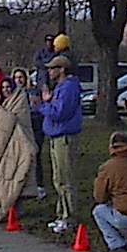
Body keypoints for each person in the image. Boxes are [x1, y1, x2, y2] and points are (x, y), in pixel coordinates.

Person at [0, 72, 35, 223]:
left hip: (16, 144)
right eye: (3, 88)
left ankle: (16, 208)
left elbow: (22, 121)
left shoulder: (20, 101)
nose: (6, 90)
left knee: (17, 173)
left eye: (9, 87)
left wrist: (8, 119)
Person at [39, 55, 83, 234]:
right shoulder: (60, 87)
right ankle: (61, 214)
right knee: (58, 179)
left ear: (62, 69)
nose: (50, 71)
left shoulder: (69, 87)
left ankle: (69, 217)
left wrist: (42, 106)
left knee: (65, 179)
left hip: (64, 137)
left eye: (52, 68)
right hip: (55, 136)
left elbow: (60, 113)